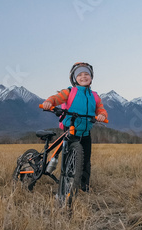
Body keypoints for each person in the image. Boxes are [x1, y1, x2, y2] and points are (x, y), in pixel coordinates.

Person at [42, 62, 108, 192]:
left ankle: (84, 186)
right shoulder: (70, 92)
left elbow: (101, 110)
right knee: (67, 158)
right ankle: (65, 184)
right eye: (80, 75)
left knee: (85, 160)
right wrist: (49, 102)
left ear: (91, 77)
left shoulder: (94, 96)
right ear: (74, 78)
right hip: (71, 128)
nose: (83, 77)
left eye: (86, 74)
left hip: (86, 132)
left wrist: (101, 115)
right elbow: (56, 98)